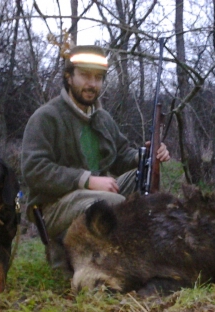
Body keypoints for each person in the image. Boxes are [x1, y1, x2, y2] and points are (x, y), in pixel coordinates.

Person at [21, 45, 170, 271]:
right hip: (54, 206)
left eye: (98, 78)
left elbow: (121, 156)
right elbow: (34, 170)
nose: (92, 84)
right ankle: (73, 253)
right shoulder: (46, 117)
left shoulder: (102, 118)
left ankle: (145, 255)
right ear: (68, 77)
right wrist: (87, 180)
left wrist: (148, 155)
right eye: (85, 75)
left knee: (146, 179)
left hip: (94, 194)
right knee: (115, 204)